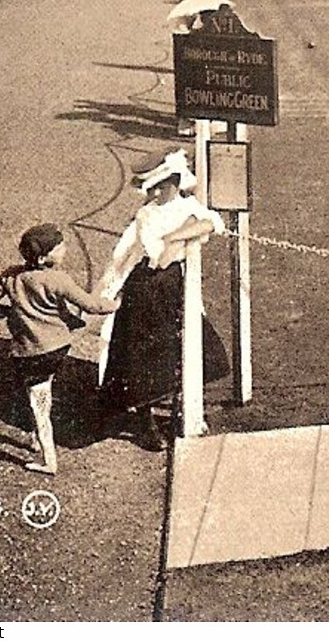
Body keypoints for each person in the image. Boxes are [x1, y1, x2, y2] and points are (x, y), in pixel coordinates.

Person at [94, 150, 226, 450]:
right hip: (148, 288)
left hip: (174, 288)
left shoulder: (188, 205)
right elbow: (158, 257)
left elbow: (210, 223)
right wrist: (175, 239)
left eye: (159, 187)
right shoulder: (147, 214)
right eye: (152, 188)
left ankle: (182, 407)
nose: (154, 193)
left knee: (191, 347)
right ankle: (146, 421)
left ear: (173, 183)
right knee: (144, 357)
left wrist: (175, 237)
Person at [0, 223, 120, 474]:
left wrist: (12, 313)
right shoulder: (58, 279)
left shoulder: (11, 276)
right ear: (44, 258)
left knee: (37, 402)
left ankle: (43, 451)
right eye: (59, 246)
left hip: (29, 353)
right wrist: (117, 303)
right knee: (41, 400)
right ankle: (46, 456)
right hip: (56, 348)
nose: (64, 249)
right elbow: (92, 306)